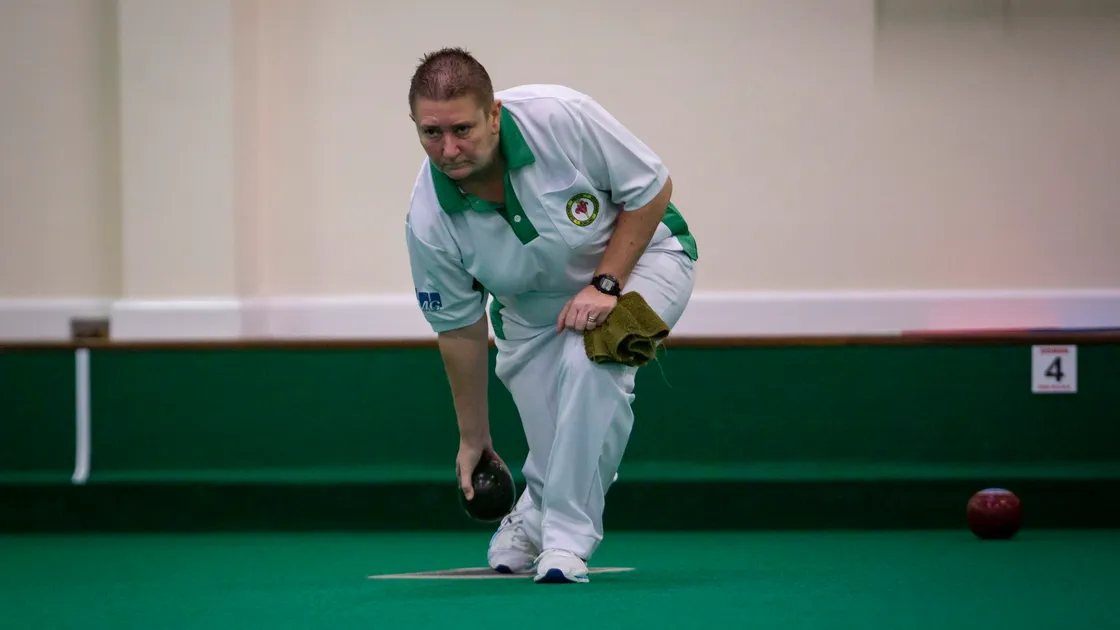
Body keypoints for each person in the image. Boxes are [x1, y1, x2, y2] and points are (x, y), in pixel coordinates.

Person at [403, 47, 698, 584]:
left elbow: (652, 189)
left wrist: (606, 284)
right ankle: (536, 507)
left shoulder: (560, 117)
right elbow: (460, 331)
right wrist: (474, 440)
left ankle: (565, 541)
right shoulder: (427, 218)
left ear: (493, 115)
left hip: (643, 262)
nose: (448, 149)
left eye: (463, 129)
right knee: (556, 437)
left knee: (596, 363)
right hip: (531, 311)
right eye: (431, 133)